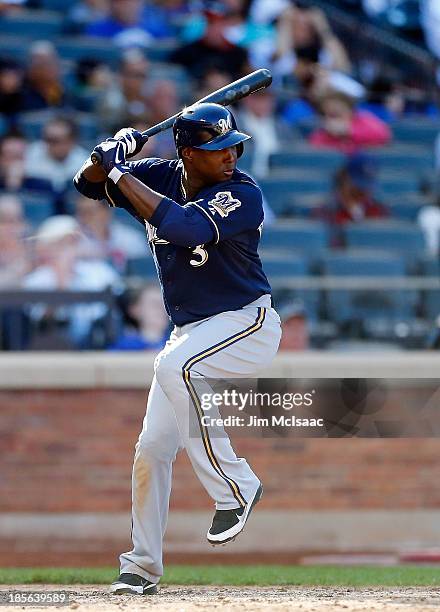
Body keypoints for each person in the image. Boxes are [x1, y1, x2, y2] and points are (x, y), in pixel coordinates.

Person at [74, 102, 281, 594]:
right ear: (187, 153)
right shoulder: (159, 176)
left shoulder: (242, 193)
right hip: (190, 330)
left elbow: (183, 228)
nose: (230, 154)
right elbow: (85, 183)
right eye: (216, 149)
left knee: (176, 365)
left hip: (245, 321)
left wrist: (119, 170)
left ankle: (236, 487)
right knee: (151, 449)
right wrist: (109, 154)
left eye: (234, 146)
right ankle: (141, 566)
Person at [313, 153, 389, 247]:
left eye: (367, 185)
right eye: (358, 185)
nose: (364, 190)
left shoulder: (378, 209)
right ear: (345, 177)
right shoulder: (326, 210)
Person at [309, 90, 391, 154]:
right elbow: (315, 147)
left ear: (350, 111)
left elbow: (383, 134)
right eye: (326, 114)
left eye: (335, 114)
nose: (330, 119)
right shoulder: (322, 134)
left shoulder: (365, 121)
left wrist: (349, 132)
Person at [108, 283, 170, 350]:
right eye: (154, 304)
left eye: (165, 304)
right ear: (135, 310)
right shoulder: (122, 348)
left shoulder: (178, 345)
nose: (162, 308)